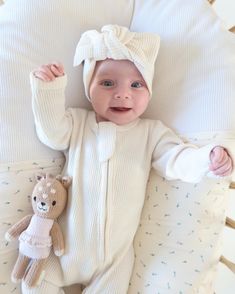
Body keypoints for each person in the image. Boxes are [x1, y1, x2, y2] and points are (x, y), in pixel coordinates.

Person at [27, 25, 232, 294]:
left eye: (136, 85)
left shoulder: (150, 133)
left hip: (114, 263)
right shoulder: (77, 123)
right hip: (62, 248)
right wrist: (49, 90)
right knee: (33, 283)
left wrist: (207, 158)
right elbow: (51, 132)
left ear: (150, 91)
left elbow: (176, 159)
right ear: (89, 87)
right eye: (107, 83)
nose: (122, 94)